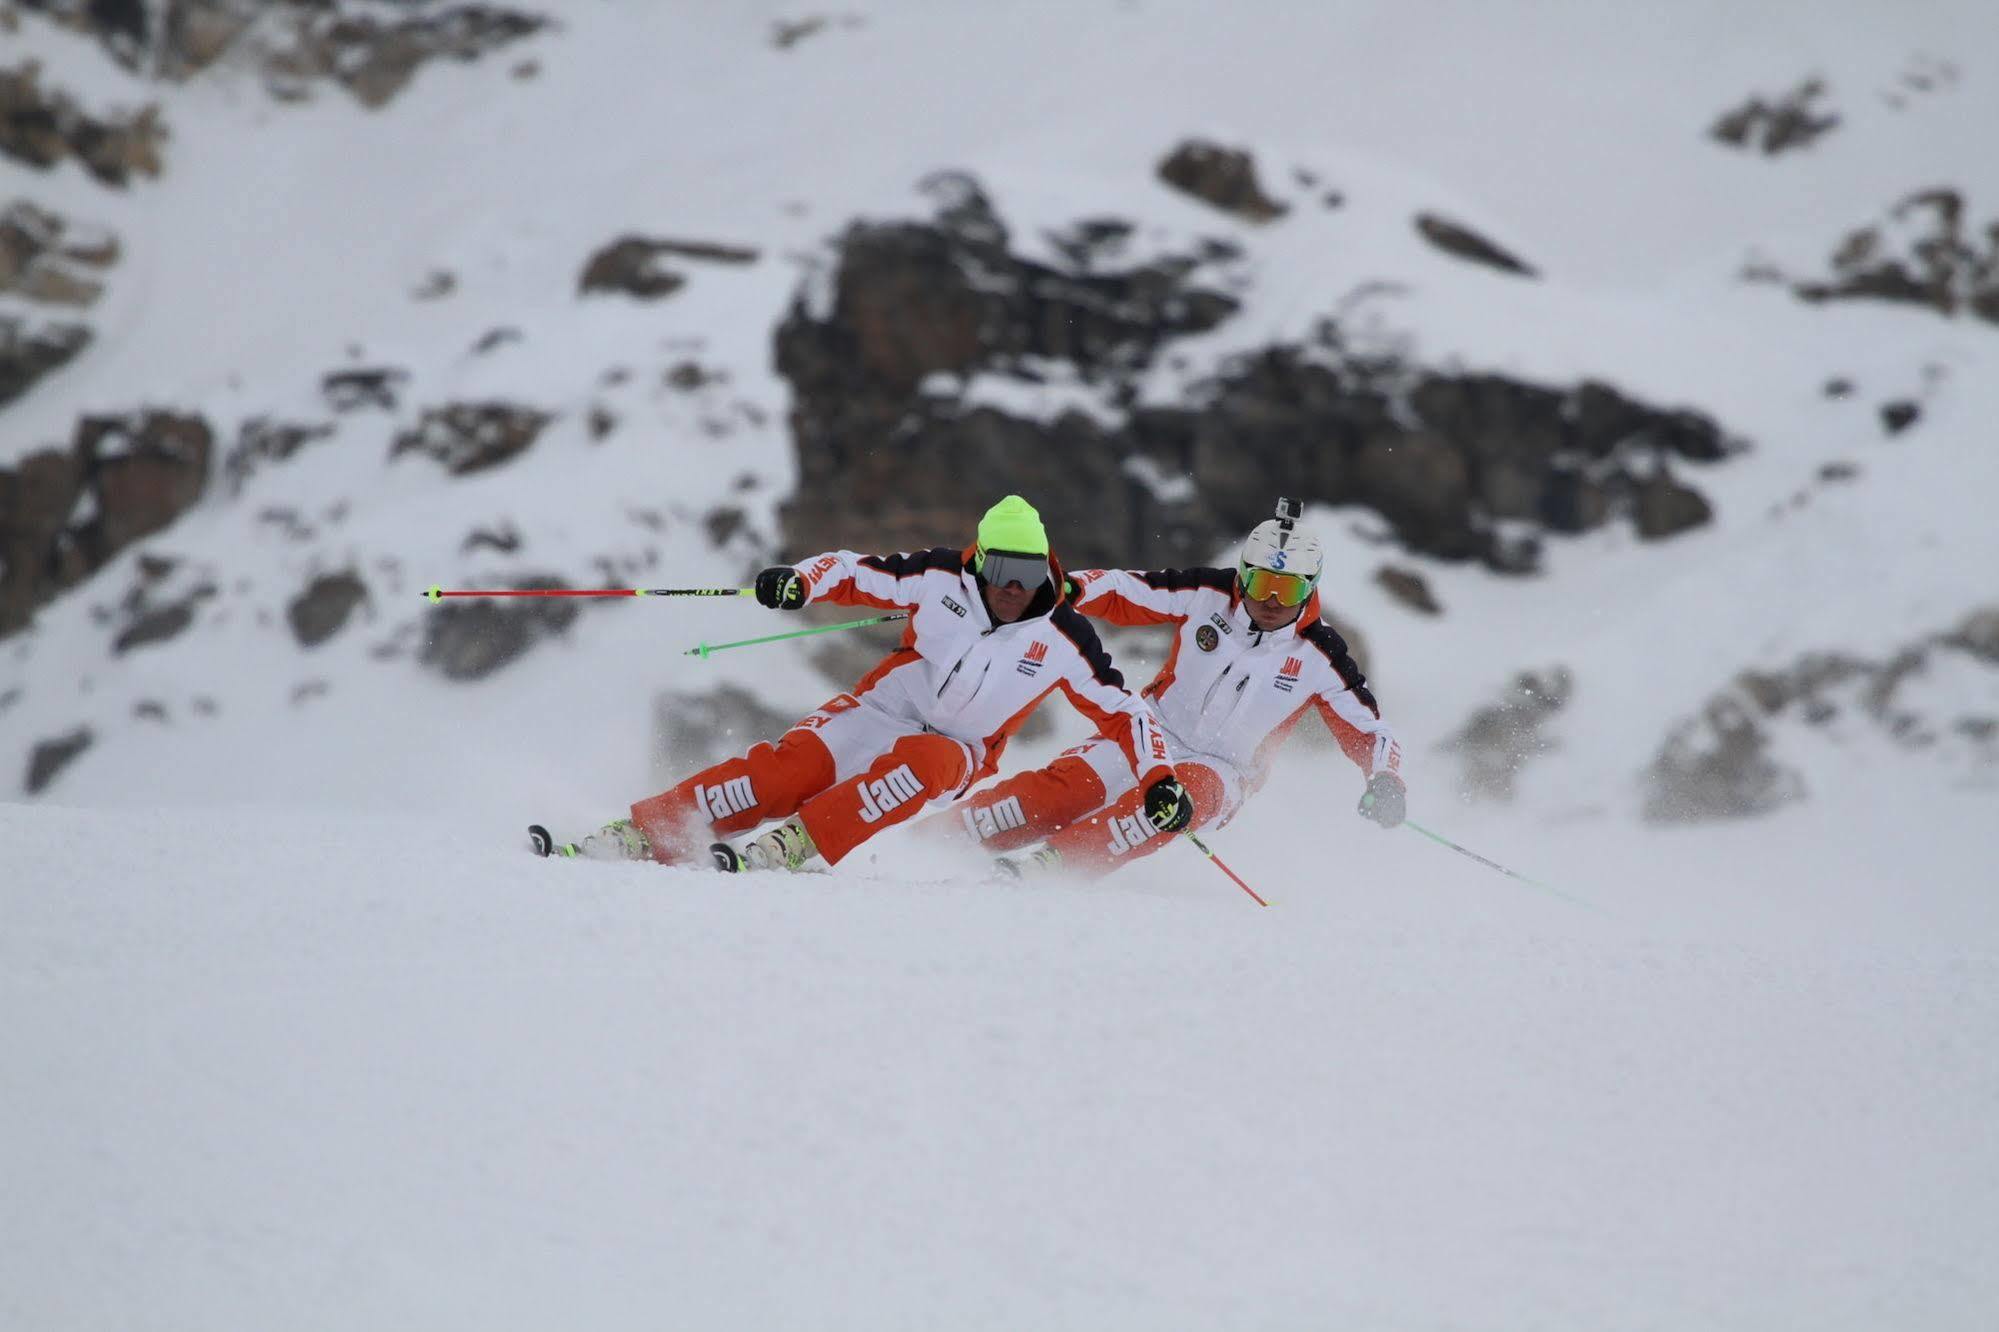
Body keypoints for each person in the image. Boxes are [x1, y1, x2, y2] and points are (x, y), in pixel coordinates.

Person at [559, 495, 1195, 872]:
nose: (1011, 587)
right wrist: (801, 581)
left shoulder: (1063, 634)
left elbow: (1126, 714)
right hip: (882, 708)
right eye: (1000, 569)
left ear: (1047, 572)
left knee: (926, 758)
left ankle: (799, 841)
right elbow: (851, 570)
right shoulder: (940, 578)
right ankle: (647, 832)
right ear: (979, 560)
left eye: (1027, 574)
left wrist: (1160, 780)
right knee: (786, 772)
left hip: (959, 751)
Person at [926, 498, 1405, 878]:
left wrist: (1385, 780)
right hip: (1151, 731)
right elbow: (1127, 590)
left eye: (1289, 589)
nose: (1272, 602)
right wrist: (1070, 590)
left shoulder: (1321, 655)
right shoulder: (1206, 593)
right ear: (1243, 575)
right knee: (1061, 794)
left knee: (1177, 798)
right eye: (1261, 584)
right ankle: (931, 838)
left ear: (1311, 588)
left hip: (1225, 770)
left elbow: (1369, 730)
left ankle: (1054, 865)